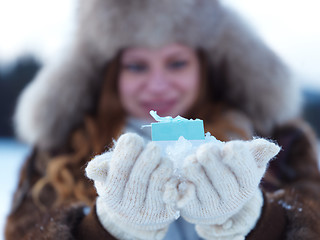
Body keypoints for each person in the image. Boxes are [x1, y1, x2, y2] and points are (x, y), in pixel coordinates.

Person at [5, 0, 320, 239]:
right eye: (137, 66)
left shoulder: (277, 142)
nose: (157, 84)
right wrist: (109, 227)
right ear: (112, 76)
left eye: (177, 63)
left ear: (203, 68)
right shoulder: (60, 153)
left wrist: (257, 219)